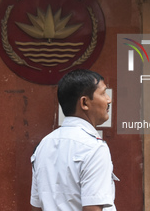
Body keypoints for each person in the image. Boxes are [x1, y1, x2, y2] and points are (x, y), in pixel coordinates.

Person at [30, 69, 119, 211]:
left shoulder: (44, 145)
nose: (109, 99)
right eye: (103, 93)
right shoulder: (94, 148)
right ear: (84, 103)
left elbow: (36, 207)